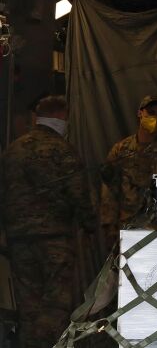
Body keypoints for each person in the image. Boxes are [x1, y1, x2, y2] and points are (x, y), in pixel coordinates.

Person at [1, 95, 95, 347]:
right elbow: (79, 194)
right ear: (62, 117)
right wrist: (90, 225)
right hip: (55, 240)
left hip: (18, 240)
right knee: (55, 304)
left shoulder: (13, 149)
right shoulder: (62, 149)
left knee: (28, 304)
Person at [100, 95, 157, 250]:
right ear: (140, 113)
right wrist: (108, 226)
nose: (155, 118)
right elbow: (109, 191)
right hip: (126, 226)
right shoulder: (121, 149)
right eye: (151, 112)